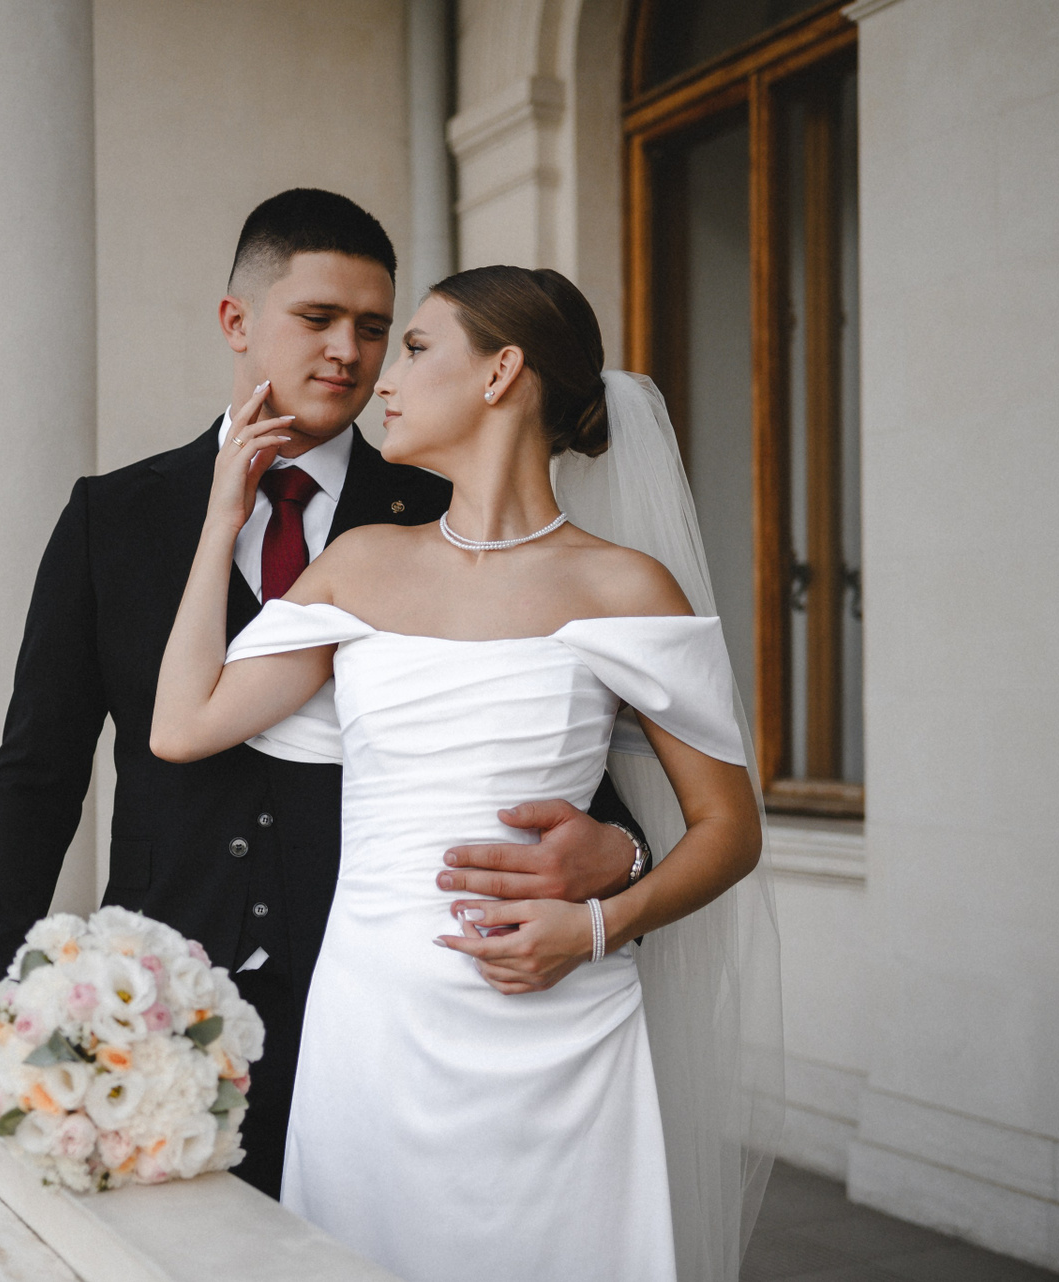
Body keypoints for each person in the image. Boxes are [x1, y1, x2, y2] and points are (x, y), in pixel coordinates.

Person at [0, 191, 655, 1200]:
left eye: (376, 328)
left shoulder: (442, 516)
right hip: (158, 1014)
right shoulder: (113, 517)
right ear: (236, 321)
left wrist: (623, 853)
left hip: (381, 1009)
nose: (350, 351)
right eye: (317, 318)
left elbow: (543, 747)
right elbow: (37, 775)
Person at [149, 265, 775, 1281]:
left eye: (414, 347)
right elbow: (183, 725)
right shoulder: (361, 562)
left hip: (555, 1031)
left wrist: (597, 926)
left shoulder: (623, 585)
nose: (384, 378)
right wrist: (225, 513)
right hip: (372, 1028)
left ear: (500, 372)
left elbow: (731, 829)